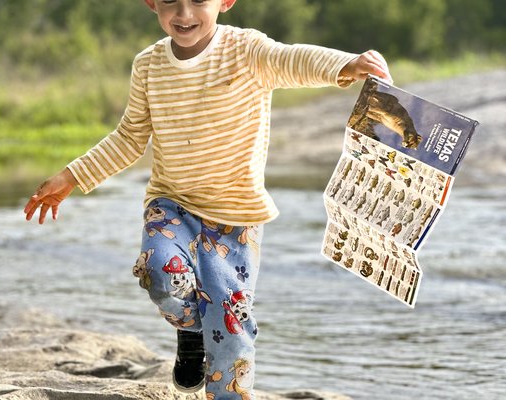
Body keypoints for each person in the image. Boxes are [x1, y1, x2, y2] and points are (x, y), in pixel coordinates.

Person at [24, 0, 392, 398]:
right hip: (172, 204)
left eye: (199, 1)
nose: (184, 14)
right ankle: (191, 329)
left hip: (236, 216)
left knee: (231, 326)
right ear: (152, 3)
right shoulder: (148, 65)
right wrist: (72, 175)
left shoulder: (247, 51)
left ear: (226, 1)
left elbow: (292, 59)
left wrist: (347, 64)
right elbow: (130, 136)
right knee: (160, 272)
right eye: (170, 2)